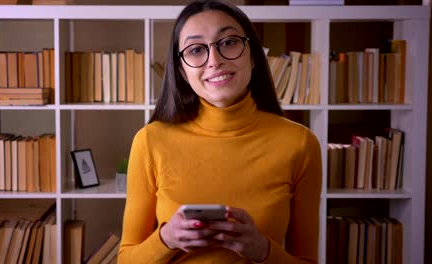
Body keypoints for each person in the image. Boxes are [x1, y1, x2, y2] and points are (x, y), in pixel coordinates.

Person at [118, 0, 322, 263]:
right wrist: (166, 238)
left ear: (253, 54)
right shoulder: (149, 141)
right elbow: (126, 259)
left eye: (228, 42)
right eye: (195, 50)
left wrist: (261, 249)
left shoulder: (300, 144)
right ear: (182, 71)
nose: (214, 61)